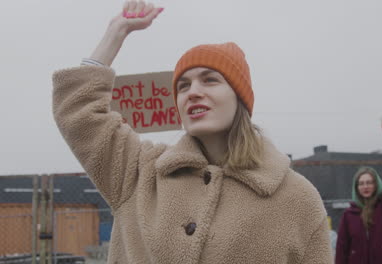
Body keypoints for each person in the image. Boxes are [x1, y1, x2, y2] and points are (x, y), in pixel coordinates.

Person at [52, 1, 332, 263]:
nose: (193, 92)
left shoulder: (298, 198)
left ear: (240, 98)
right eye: (183, 86)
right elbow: (78, 113)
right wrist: (116, 32)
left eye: (210, 80)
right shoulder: (138, 173)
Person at [335, 119, 382, 264]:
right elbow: (342, 250)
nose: (365, 186)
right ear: (356, 188)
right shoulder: (348, 216)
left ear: (376, 184)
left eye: (369, 182)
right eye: (361, 183)